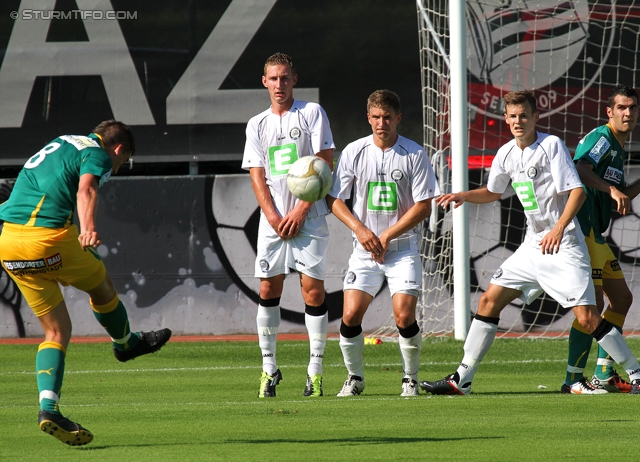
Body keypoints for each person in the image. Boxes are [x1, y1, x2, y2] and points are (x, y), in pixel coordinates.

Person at [419, 90, 640, 396]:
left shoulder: (550, 145)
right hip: (532, 246)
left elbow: (576, 191)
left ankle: (635, 373)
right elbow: (493, 192)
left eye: (524, 115)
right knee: (488, 301)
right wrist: (463, 196)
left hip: (564, 244)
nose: (518, 121)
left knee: (589, 317)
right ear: (506, 119)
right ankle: (462, 378)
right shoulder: (506, 153)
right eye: (513, 116)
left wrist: (559, 228)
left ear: (536, 117)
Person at [0, 120, 172, 445]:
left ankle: (48, 409)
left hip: (9, 243)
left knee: (56, 331)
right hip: (48, 239)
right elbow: (87, 188)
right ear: (118, 148)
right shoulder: (98, 153)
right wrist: (87, 227)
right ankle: (125, 344)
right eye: (122, 162)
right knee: (102, 285)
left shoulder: (61, 142)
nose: (116, 169)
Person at [326, 89, 440, 397]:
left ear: (398, 119)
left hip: (402, 250)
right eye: (376, 117)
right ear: (368, 118)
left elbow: (423, 206)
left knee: (404, 315)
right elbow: (334, 199)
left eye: (387, 117)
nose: (381, 123)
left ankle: (410, 378)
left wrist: (387, 235)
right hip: (364, 251)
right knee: (350, 316)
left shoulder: (414, 154)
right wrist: (362, 231)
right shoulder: (354, 151)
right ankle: (355, 378)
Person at [242, 53, 335, 398]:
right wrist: (274, 216)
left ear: (295, 79)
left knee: (312, 292)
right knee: (268, 291)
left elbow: (324, 164)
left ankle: (315, 371)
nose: (279, 84)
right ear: (263, 81)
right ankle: (269, 371)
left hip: (307, 218)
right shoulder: (256, 124)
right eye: (273, 78)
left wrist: (299, 210)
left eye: (285, 78)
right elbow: (257, 174)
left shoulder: (312, 113)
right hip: (273, 222)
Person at [562, 85, 640, 394]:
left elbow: (621, 194)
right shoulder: (602, 138)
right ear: (610, 111)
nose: (628, 113)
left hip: (597, 234)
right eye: (622, 107)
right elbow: (581, 169)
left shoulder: (618, 148)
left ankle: (604, 373)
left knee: (621, 299)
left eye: (633, 108)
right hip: (583, 231)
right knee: (591, 306)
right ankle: (572, 379)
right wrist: (611, 190)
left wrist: (624, 188)